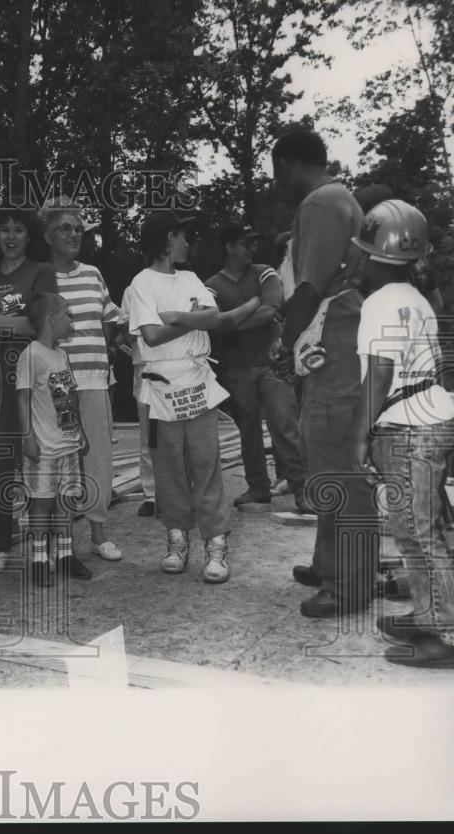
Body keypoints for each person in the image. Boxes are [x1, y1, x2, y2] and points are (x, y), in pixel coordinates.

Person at [269, 130, 380, 618]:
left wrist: (282, 342)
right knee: (329, 465)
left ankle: (349, 585)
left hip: (333, 349)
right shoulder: (344, 198)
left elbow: (309, 290)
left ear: (289, 164)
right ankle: (328, 564)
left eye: (277, 171)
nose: (276, 182)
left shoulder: (318, 202)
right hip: (340, 348)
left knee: (340, 470)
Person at [127, 210, 260, 583]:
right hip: (160, 390)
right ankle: (176, 539)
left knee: (206, 464)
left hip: (198, 385)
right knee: (169, 471)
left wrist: (178, 318)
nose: (188, 242)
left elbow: (216, 317)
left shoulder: (190, 278)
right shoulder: (142, 283)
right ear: (167, 239)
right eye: (182, 236)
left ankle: (216, 545)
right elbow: (150, 336)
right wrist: (189, 318)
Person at [351, 199, 454, 668]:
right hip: (430, 419)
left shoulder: (379, 301)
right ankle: (432, 612)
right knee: (423, 529)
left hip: (407, 426)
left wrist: (361, 433)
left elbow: (379, 370)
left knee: (416, 533)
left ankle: (442, 634)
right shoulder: (416, 297)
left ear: (372, 255)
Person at [0, 207, 58, 574]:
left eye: (19, 229)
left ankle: (45, 546)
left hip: (33, 383)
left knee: (40, 467)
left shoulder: (40, 272)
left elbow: (41, 323)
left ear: (29, 235)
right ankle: (0, 544)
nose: (10, 237)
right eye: (3, 230)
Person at [39, 199, 121, 565]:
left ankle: (99, 536)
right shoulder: (39, 277)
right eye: (65, 228)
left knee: (98, 459)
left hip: (96, 379)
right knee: (62, 460)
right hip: (57, 383)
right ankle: (64, 538)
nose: (74, 234)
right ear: (47, 235)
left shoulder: (93, 274)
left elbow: (111, 318)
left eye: (78, 228)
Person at [206, 221, 309, 513]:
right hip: (236, 368)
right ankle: (258, 488)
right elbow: (216, 326)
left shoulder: (265, 272)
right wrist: (248, 311)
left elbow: (270, 311)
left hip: (272, 364)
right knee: (248, 430)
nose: (252, 247)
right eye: (245, 242)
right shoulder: (211, 285)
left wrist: (233, 322)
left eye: (254, 242)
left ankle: (301, 488)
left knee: (284, 425)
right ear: (229, 247)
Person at [17, 293, 87, 587]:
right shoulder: (31, 355)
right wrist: (27, 436)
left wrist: (79, 432)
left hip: (67, 444)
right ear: (51, 318)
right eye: (67, 314)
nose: (71, 321)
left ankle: (66, 555)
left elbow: (67, 396)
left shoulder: (61, 355)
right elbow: (23, 397)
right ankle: (39, 559)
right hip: (43, 447)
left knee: (66, 500)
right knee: (42, 503)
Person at [119, 284, 157, 518]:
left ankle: (180, 492)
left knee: (180, 434)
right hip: (145, 366)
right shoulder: (134, 289)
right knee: (149, 436)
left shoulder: (186, 281)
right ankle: (152, 495)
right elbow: (125, 330)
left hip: (180, 366)